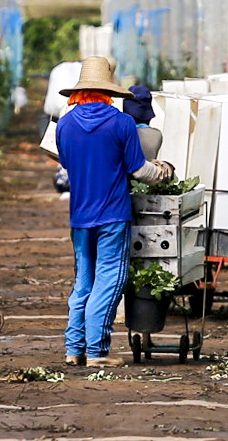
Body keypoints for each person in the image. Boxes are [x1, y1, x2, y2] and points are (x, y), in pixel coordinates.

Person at [56, 55, 169, 368]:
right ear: (108, 92)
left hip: (79, 217)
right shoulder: (121, 123)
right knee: (109, 280)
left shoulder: (64, 124)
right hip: (113, 215)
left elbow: (65, 165)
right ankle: (97, 351)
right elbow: (138, 171)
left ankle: (74, 348)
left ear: (78, 92)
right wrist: (163, 172)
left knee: (84, 282)